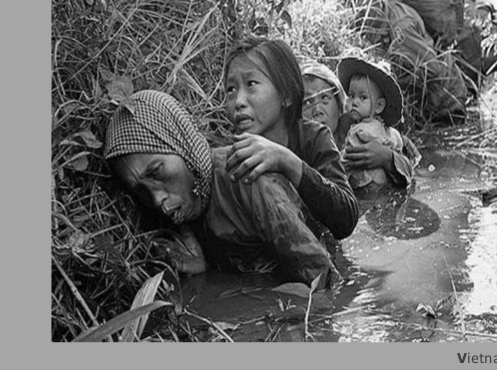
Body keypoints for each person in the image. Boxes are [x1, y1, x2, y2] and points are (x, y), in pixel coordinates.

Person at [104, 90, 340, 288]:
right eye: (140, 190)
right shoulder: (178, 209)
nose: (156, 200)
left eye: (156, 172)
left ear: (182, 144)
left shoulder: (249, 180)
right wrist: (205, 266)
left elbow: (323, 280)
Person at [223, 36, 359, 241]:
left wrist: (288, 162)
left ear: (286, 95)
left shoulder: (313, 138)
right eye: (231, 89)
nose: (238, 101)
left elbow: (346, 218)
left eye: (251, 84)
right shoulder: (231, 152)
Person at [301, 60, 421, 189]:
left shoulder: (363, 127)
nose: (317, 110)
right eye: (307, 102)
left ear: (340, 104)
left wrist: (387, 157)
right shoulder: (301, 146)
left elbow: (411, 163)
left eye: (324, 98)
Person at [337, 56, 404, 189]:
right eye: (351, 96)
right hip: (382, 184)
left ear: (379, 106)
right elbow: (399, 145)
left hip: (363, 185)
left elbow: (345, 161)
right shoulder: (391, 132)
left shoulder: (357, 131)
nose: (354, 102)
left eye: (363, 97)